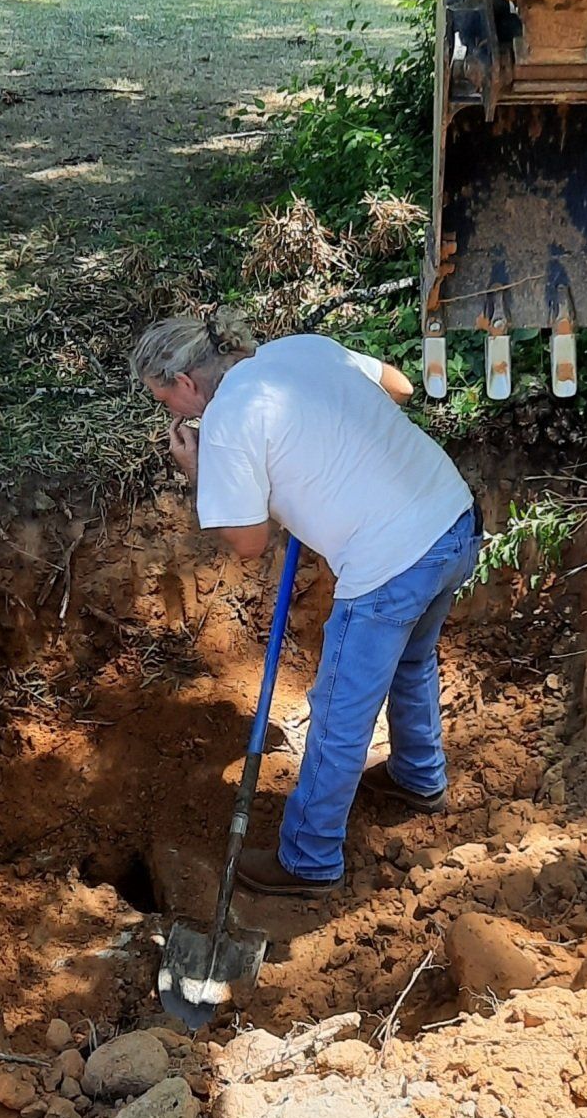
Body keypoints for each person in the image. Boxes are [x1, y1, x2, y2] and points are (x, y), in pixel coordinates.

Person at [131, 312, 478, 898]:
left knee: (340, 710)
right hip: (453, 518)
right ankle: (419, 778)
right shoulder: (298, 350)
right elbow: (399, 387)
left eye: (165, 398)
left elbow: (247, 541)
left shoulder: (227, 421)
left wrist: (200, 469)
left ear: (187, 381)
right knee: (411, 662)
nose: (172, 413)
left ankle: (309, 860)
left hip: (389, 563)